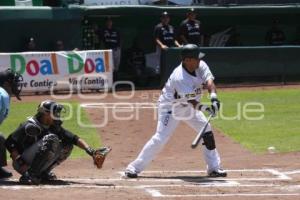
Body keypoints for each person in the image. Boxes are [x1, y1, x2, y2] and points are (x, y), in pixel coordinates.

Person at [124, 44, 227, 178]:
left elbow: (209, 82)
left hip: (189, 107)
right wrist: (207, 109)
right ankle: (133, 168)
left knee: (207, 132)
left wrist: (213, 98)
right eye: (196, 58)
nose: (199, 60)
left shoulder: (200, 65)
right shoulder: (180, 77)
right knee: (160, 138)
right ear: (187, 60)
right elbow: (192, 102)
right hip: (171, 108)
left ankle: (214, 168)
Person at [5, 100, 109, 185]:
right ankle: (31, 175)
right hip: (22, 162)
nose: (57, 115)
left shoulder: (52, 125)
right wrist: (20, 163)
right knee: (51, 139)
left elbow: (73, 138)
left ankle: (43, 172)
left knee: (67, 145)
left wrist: (90, 151)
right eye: (54, 113)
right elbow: (9, 142)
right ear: (45, 114)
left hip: (32, 160)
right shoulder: (30, 126)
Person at [0, 69, 23, 179]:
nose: (17, 84)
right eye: (14, 81)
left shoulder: (4, 95)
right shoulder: (1, 94)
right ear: (5, 84)